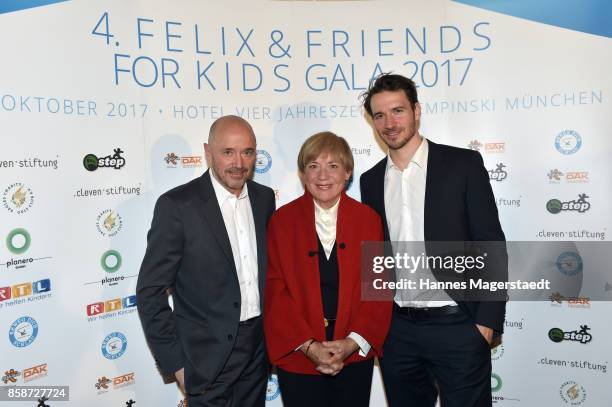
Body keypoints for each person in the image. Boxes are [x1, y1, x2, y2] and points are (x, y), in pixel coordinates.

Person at [360, 73, 507, 407]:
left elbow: (491, 243)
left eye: (397, 111)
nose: (389, 123)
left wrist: (487, 322)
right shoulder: (370, 181)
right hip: (397, 332)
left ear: (416, 110)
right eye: (379, 115)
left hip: (458, 325)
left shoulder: (462, 164)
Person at [136, 115, 276, 406]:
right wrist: (177, 364)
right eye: (228, 152)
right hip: (206, 358)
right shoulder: (177, 206)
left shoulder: (264, 199)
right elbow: (150, 291)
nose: (239, 162)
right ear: (207, 152)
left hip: (259, 351)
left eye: (247, 152)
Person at [264, 132, 392, 407]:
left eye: (333, 166)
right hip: (299, 355)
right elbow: (275, 289)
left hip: (353, 356)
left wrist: (351, 342)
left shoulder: (369, 220)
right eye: (313, 166)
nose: (323, 175)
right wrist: (309, 346)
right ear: (302, 173)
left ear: (347, 173)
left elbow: (379, 287)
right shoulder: (281, 221)